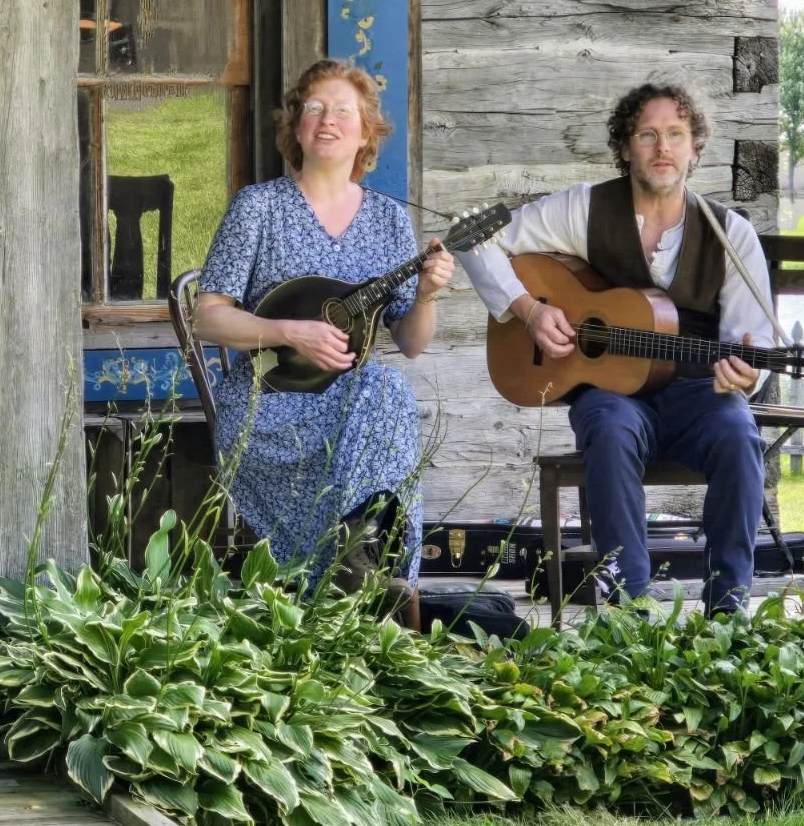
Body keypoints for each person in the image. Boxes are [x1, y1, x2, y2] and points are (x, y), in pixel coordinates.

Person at [460, 82, 772, 615]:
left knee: (740, 432)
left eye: (676, 135)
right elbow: (472, 236)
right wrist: (529, 310)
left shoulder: (729, 233)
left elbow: (754, 341)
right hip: (612, 393)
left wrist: (746, 374)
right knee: (607, 427)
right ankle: (630, 612)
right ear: (625, 146)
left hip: (698, 394)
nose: (662, 148)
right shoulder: (586, 208)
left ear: (695, 148)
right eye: (647, 134)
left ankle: (729, 610)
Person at [192, 59, 454, 583]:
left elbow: (410, 342)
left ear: (365, 134)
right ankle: (358, 560)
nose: (327, 120)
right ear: (296, 127)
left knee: (384, 387)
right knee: (381, 394)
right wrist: (290, 332)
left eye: (343, 111)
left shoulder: (387, 219)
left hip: (352, 406)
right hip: (268, 404)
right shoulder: (258, 208)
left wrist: (425, 296)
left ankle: (354, 549)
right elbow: (208, 318)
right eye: (313, 108)